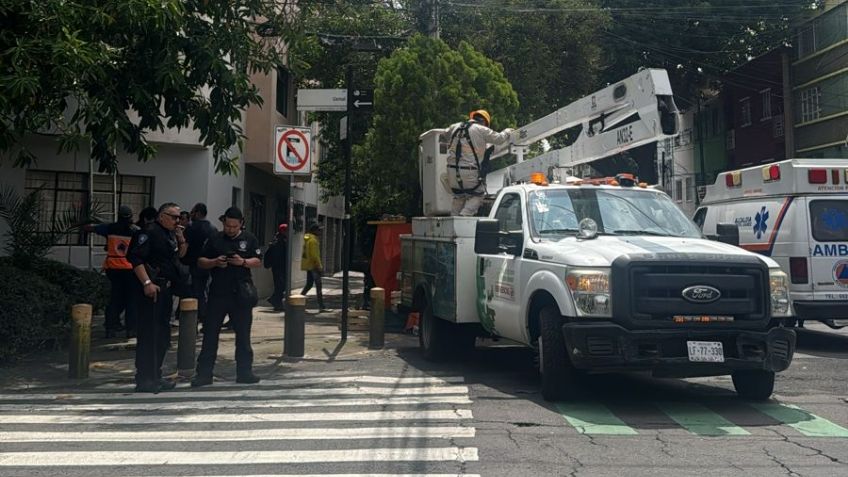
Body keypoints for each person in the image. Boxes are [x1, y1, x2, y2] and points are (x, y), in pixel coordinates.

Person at [192, 206, 262, 387]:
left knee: (243, 336)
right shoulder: (215, 238)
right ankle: (204, 374)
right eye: (228, 226)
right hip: (218, 293)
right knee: (210, 335)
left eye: (234, 226)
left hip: (241, 294)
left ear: (241, 224)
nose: (230, 229)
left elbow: (258, 261)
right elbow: (201, 261)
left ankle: (245, 372)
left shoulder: (250, 239)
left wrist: (243, 262)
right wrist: (215, 262)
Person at [126, 202, 188, 393]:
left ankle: (156, 374)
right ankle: (144, 377)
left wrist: (181, 238)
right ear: (162, 216)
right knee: (149, 335)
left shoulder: (170, 234)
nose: (177, 221)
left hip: (166, 289)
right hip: (152, 289)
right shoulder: (149, 232)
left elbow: (181, 257)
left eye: (180, 218)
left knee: (162, 336)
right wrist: (146, 283)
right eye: (174, 217)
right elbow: (135, 259)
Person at [83, 205, 139, 338]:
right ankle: (131, 329)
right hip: (130, 268)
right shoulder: (135, 231)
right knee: (131, 299)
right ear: (131, 216)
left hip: (113, 268)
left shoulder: (110, 228)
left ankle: (110, 328)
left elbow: (90, 229)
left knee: (114, 298)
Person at [443, 109, 513, 216]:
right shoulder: (481, 129)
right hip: (469, 172)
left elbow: (444, 135)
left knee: (459, 196)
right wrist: (507, 131)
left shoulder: (455, 126)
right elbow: (499, 139)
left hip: (451, 172)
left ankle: (453, 220)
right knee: (478, 194)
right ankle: (464, 215)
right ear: (485, 122)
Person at [183, 203, 217, 326]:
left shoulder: (191, 228)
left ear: (197, 213)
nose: (190, 214)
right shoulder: (213, 228)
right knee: (206, 292)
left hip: (194, 265)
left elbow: (184, 247)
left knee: (196, 293)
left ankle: (198, 318)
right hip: (210, 265)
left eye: (192, 212)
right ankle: (206, 319)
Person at [300, 220, 326, 311]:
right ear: (314, 231)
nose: (320, 232)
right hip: (314, 266)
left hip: (308, 265)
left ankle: (299, 299)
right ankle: (321, 306)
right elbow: (315, 255)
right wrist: (319, 266)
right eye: (319, 230)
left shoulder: (307, 239)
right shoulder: (313, 241)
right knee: (319, 285)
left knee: (309, 284)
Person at [264, 223, 289, 311]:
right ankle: (275, 301)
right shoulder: (279, 240)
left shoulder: (282, 239)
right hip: (278, 267)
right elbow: (278, 255)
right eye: (286, 230)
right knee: (280, 285)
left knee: (281, 286)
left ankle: (276, 301)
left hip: (280, 267)